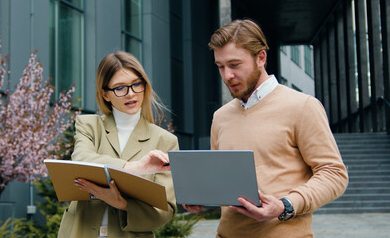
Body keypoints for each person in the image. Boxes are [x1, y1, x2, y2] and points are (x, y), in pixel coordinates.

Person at [183, 19, 349, 237]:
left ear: (261, 57)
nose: (227, 76)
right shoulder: (221, 117)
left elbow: (334, 174)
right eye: (220, 67)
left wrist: (285, 205)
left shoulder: (303, 106)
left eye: (234, 65)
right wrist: (202, 197)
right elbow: (225, 182)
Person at [58, 51, 178, 238]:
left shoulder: (165, 141)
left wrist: (123, 204)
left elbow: (166, 210)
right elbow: (81, 159)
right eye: (120, 88)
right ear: (105, 94)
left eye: (136, 84)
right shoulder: (89, 125)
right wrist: (135, 168)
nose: (131, 93)